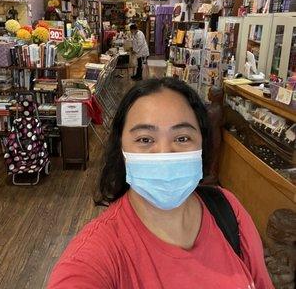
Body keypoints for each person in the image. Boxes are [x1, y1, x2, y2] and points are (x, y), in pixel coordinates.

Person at [48, 78, 274, 289]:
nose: (165, 153)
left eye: (182, 138)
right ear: (122, 149)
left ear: (202, 145)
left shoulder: (228, 208)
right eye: (145, 140)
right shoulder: (95, 256)